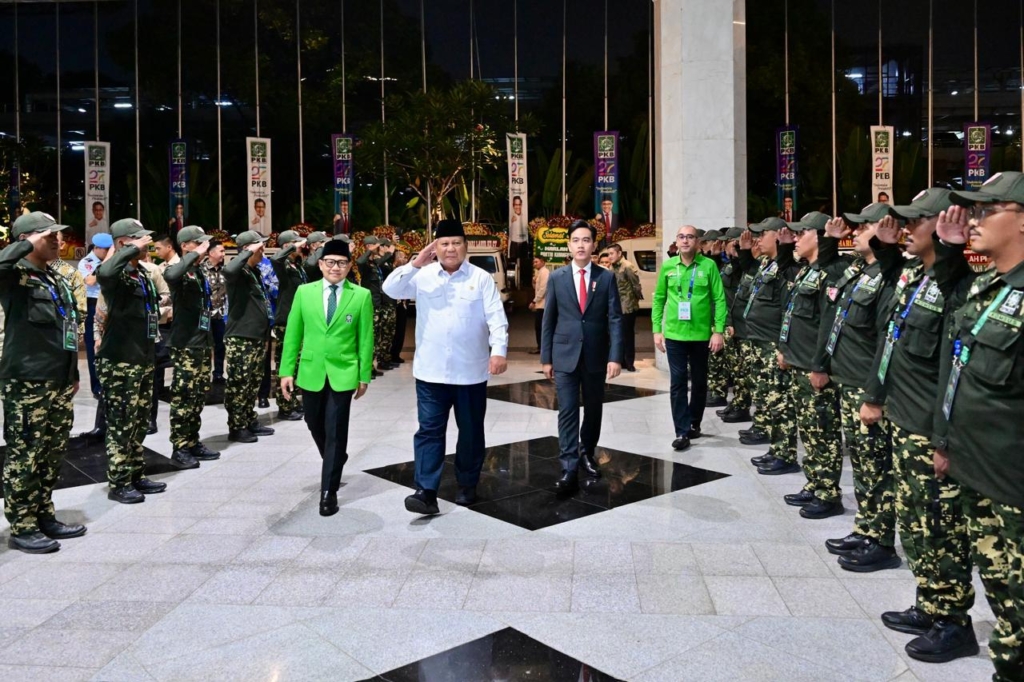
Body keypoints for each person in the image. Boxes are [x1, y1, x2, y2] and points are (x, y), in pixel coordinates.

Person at [853, 188, 979, 663]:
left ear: (942, 225)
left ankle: (953, 620)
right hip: (904, 418)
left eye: (914, 221)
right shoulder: (914, 277)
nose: (903, 228)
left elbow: (953, 363)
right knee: (916, 520)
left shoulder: (953, 282)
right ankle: (930, 603)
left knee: (941, 525)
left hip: (930, 425)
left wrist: (949, 251)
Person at [931, 172, 1024, 679]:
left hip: (1013, 482)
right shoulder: (989, 286)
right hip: (978, 471)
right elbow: (951, 310)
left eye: (991, 209)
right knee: (1004, 599)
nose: (976, 219)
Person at [382, 219, 509, 515]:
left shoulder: (480, 278)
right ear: (435, 247)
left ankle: (467, 484)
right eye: (444, 243)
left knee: (471, 432)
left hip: (470, 373)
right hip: (430, 373)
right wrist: (415, 263)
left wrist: (499, 350)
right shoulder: (422, 276)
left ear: (465, 246)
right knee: (428, 431)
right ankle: (426, 491)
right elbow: (391, 289)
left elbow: (496, 317)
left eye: (456, 242)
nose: (450, 248)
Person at [820, 203, 905, 572]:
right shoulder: (860, 271)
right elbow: (830, 282)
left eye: (864, 224)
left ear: (885, 229)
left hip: (865, 383)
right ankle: (866, 528)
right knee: (864, 465)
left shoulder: (889, 274)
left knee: (875, 466)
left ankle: (881, 540)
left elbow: (886, 341)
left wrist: (874, 395)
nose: (855, 231)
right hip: (848, 379)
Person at [0, 212, 85, 553]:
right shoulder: (13, 276)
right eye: (48, 235)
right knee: (26, 454)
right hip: (27, 379)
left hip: (58, 378)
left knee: (51, 453)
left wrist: (73, 372)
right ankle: (22, 525)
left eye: (58, 234)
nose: (57, 240)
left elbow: (65, 328)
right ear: (27, 240)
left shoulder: (55, 277)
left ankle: (43, 514)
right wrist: (21, 245)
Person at [280, 239, 373, 516]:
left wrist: (364, 374)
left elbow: (365, 339)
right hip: (311, 371)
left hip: (344, 372)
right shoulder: (304, 292)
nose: (336, 267)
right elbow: (293, 334)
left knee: (335, 430)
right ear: (320, 264)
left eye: (342, 263)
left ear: (349, 266)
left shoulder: (361, 296)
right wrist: (286, 370)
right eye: (330, 262)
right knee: (313, 422)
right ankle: (336, 459)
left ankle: (328, 491)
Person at [774, 213, 853, 518]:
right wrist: (786, 348)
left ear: (819, 237)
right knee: (809, 430)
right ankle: (815, 481)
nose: (796, 238)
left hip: (814, 367)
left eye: (802, 232)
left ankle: (828, 493)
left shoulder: (830, 271)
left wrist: (820, 366)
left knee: (823, 431)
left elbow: (828, 324)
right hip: (799, 361)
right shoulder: (808, 271)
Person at [541, 219, 623, 492]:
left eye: (586, 240)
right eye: (576, 240)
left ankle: (587, 452)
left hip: (596, 355)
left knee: (594, 408)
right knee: (566, 410)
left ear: (593, 245)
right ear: (569, 245)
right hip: (564, 354)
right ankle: (568, 464)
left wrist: (615, 356)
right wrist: (546, 358)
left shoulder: (606, 277)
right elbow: (548, 319)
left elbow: (615, 319)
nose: (580, 245)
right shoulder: (556, 277)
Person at [97, 218, 167, 504]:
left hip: (143, 357)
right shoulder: (117, 275)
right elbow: (105, 271)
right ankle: (119, 481)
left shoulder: (143, 276)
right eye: (139, 240)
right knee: (120, 424)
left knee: (138, 421)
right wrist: (127, 250)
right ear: (123, 243)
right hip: (120, 361)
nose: (146, 244)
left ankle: (136, 473)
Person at [652, 225, 726, 451]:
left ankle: (695, 422)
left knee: (700, 381)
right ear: (676, 241)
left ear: (697, 242)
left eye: (690, 237)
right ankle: (681, 431)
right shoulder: (668, 267)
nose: (685, 241)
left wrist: (718, 331)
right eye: (681, 237)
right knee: (678, 382)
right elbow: (659, 299)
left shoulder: (708, 266)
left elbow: (720, 299)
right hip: (674, 335)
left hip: (701, 335)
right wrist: (657, 330)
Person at [738, 217, 801, 466]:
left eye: (763, 234)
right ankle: (775, 445)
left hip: (773, 343)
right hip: (759, 341)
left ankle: (784, 452)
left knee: (780, 401)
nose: (758, 239)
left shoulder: (789, 267)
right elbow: (749, 273)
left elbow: (789, 309)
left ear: (778, 236)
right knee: (766, 395)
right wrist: (744, 252)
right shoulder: (766, 264)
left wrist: (784, 346)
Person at [163, 226, 220, 470]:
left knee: (198, 394)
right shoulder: (178, 270)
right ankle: (180, 446)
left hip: (201, 341)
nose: (204, 247)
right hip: (185, 343)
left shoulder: (197, 272)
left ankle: (193, 439)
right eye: (199, 243)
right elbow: (172, 276)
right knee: (184, 395)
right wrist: (193, 255)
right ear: (186, 245)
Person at [223, 231, 276, 443]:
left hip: (256, 336)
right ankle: (237, 426)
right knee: (239, 384)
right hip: (241, 337)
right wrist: (247, 253)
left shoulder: (253, 272)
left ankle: (248, 420)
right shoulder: (237, 272)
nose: (262, 250)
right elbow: (229, 269)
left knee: (253, 383)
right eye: (258, 247)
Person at [270, 230, 310, 421]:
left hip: (299, 320)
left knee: (296, 365)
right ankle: (284, 405)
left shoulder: (297, 265)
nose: (300, 246)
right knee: (286, 364)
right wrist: (294, 246)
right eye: (294, 243)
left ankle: (293, 401)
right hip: (285, 322)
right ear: (287, 246)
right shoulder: (283, 265)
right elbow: (276, 259)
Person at [78, 233, 112, 397]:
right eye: (106, 250)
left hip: (110, 304)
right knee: (93, 346)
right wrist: (107, 263)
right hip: (92, 305)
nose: (108, 253)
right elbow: (90, 281)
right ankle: (97, 385)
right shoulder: (87, 262)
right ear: (97, 248)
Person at [606, 243, 643, 372]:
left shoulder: (627, 266)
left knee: (628, 335)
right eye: (608, 254)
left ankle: (629, 362)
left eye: (612, 254)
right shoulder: (612, 267)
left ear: (619, 253)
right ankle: (620, 360)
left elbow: (636, 285)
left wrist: (635, 301)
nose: (609, 256)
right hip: (616, 306)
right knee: (617, 333)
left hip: (628, 306)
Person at [256, 249, 279, 408]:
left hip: (266, 316)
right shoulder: (238, 266)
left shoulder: (268, 265)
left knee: (264, 359)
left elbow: (276, 290)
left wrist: (266, 283)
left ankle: (263, 395)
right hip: (245, 320)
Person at [203, 240, 228, 384]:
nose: (224, 254)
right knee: (206, 344)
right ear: (211, 253)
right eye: (222, 251)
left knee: (220, 344)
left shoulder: (225, 270)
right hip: (206, 314)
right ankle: (204, 373)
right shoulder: (202, 269)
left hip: (221, 313)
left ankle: (218, 373)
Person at [528, 255, 549, 354]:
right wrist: (534, 281)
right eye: (534, 262)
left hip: (543, 305)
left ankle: (541, 348)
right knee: (538, 327)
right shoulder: (539, 272)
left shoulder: (545, 272)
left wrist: (534, 301)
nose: (534, 264)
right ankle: (540, 347)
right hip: (540, 304)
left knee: (540, 327)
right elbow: (537, 288)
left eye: (536, 262)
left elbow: (543, 289)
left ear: (542, 262)